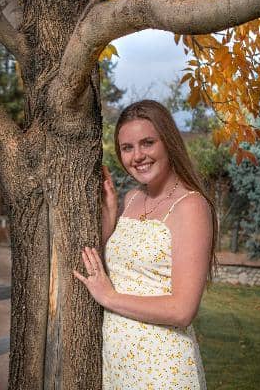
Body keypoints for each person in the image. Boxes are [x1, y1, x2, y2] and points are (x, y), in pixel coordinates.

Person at [73, 100, 218, 389]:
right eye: (127, 148)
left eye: (147, 143)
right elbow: (115, 270)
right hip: (119, 365)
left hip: (162, 368)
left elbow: (182, 310)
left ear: (168, 142)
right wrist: (109, 217)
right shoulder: (131, 199)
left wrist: (109, 297)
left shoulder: (190, 206)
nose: (137, 156)